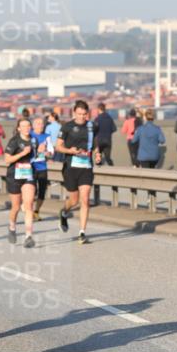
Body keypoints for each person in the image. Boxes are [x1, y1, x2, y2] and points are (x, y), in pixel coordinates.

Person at [56, 100, 100, 244]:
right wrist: (70, 151)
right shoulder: (67, 127)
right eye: (79, 114)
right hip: (71, 166)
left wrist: (97, 153)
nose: (82, 117)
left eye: (84, 114)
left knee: (85, 199)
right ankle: (63, 211)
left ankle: (82, 232)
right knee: (74, 200)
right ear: (74, 113)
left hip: (86, 166)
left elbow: (94, 144)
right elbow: (58, 147)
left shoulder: (91, 126)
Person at [4, 118, 37, 248]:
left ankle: (28, 236)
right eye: (24, 126)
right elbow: (7, 160)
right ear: (18, 128)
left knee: (29, 206)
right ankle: (12, 227)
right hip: (14, 176)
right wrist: (23, 153)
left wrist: (43, 151)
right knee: (16, 207)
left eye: (28, 125)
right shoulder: (14, 141)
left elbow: (36, 156)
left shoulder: (34, 140)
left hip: (28, 175)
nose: (27, 128)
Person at [30, 116, 52, 220]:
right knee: (32, 191)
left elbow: (51, 152)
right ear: (33, 126)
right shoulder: (29, 135)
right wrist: (38, 150)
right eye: (38, 123)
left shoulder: (47, 136)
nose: (41, 125)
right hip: (31, 167)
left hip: (42, 166)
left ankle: (36, 211)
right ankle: (28, 211)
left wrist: (48, 153)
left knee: (42, 191)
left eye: (42, 123)